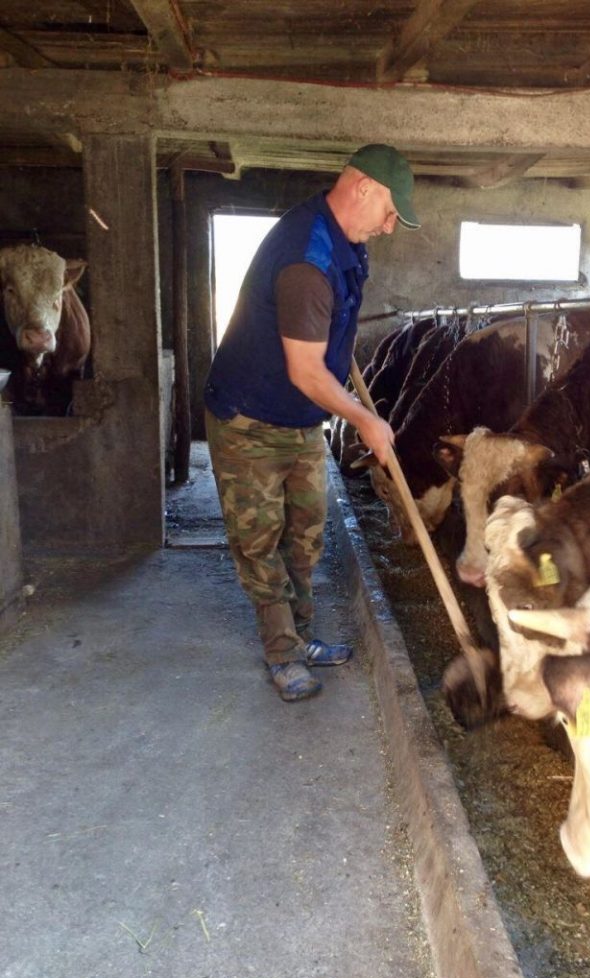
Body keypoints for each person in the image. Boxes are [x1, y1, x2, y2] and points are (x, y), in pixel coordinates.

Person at [204, 144, 420, 702]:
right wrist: (364, 419)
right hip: (249, 417)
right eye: (392, 213)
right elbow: (305, 370)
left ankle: (302, 636)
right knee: (261, 539)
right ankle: (282, 653)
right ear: (365, 188)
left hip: (298, 417)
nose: (391, 228)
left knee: (305, 534)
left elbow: (325, 341)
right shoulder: (307, 258)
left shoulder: (347, 245)